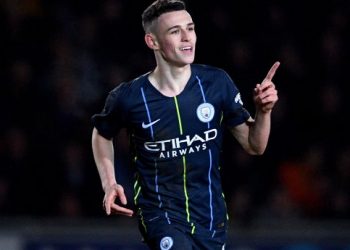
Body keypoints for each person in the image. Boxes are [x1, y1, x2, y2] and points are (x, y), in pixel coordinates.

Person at [91, 0, 280, 249]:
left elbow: (255, 146)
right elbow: (102, 134)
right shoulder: (130, 97)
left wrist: (263, 111)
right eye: (174, 31)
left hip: (210, 217)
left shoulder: (216, 84)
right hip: (159, 215)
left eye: (190, 28)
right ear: (153, 42)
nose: (186, 37)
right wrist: (109, 183)